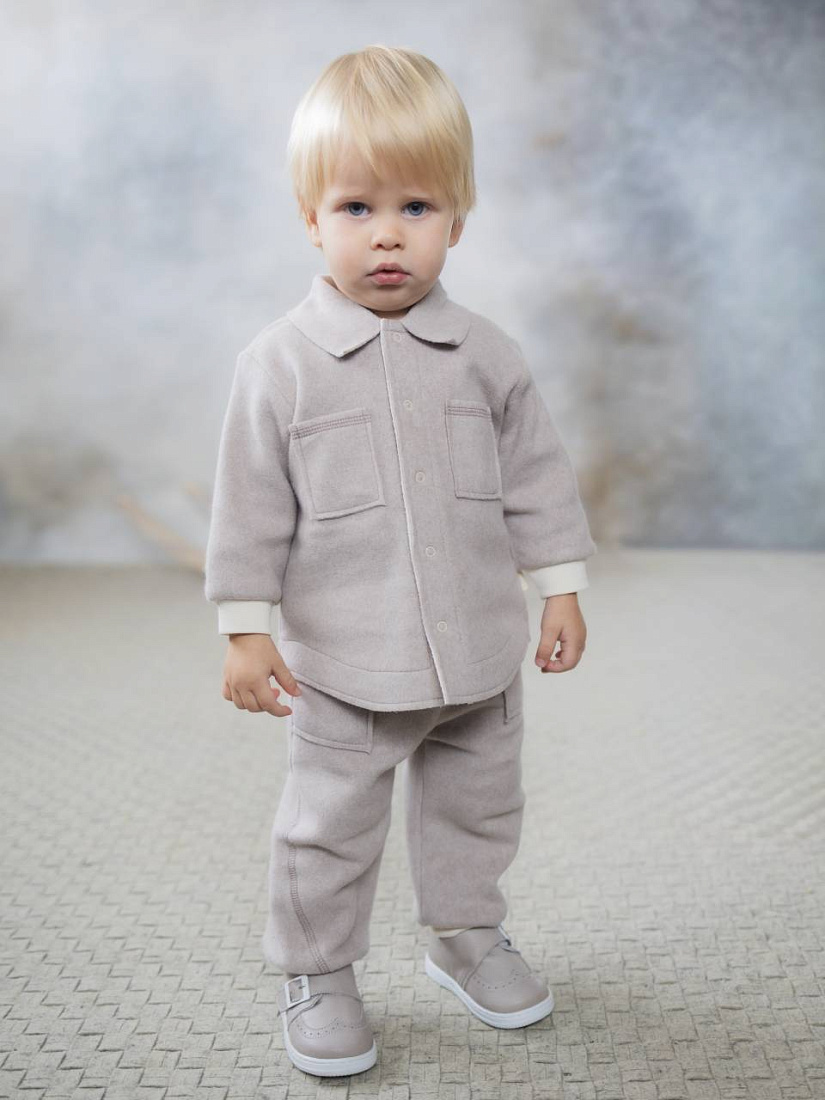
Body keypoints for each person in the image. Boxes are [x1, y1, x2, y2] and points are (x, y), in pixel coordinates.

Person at [204, 44, 597, 1078]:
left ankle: (465, 934)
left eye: (416, 207)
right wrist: (244, 625)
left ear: (457, 221)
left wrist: (559, 586)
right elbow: (248, 508)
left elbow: (537, 479)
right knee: (326, 828)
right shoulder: (278, 366)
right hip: (347, 664)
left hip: (480, 655)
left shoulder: (489, 357)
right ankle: (318, 967)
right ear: (310, 218)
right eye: (356, 207)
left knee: (480, 807)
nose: (386, 233)